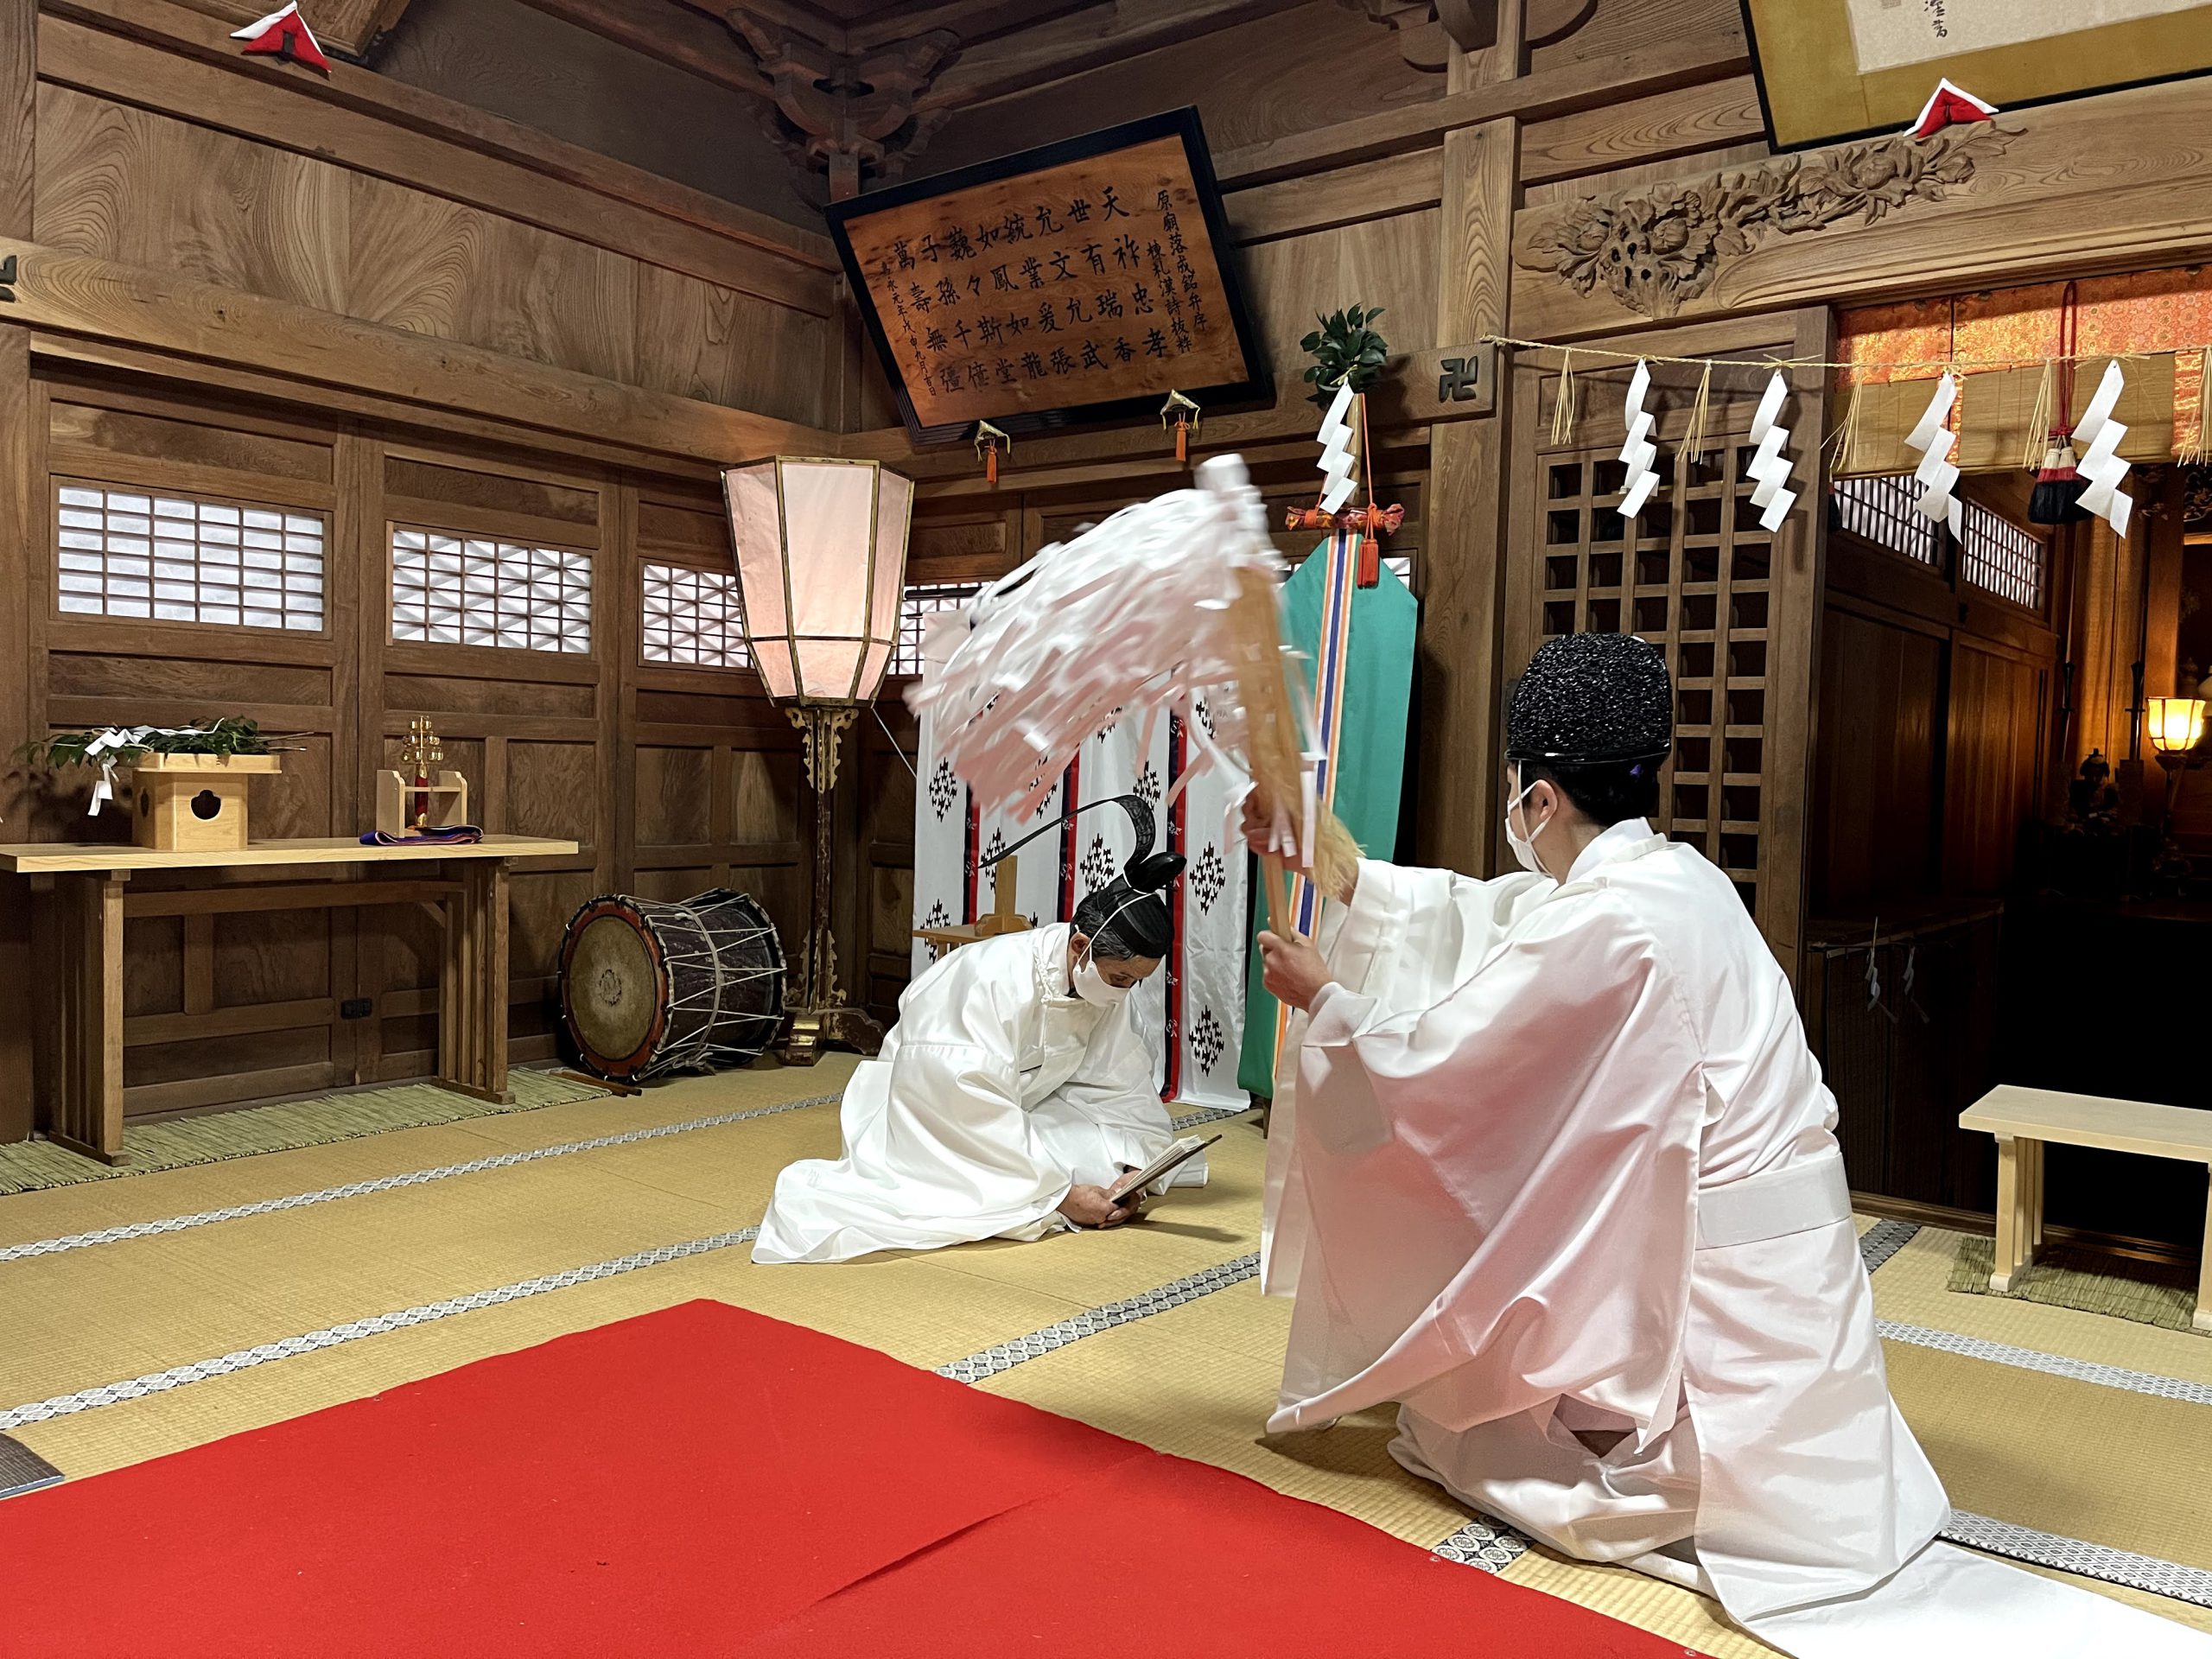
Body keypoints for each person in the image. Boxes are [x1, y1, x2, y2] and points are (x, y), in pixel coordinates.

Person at [1247, 632, 2208, 1657]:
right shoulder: (1676, 879)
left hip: (1722, 1279)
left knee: (1464, 1440)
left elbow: (1454, 1062)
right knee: (1498, 1404)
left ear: (1540, 798)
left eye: (1516, 791)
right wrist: (1338, 868)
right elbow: (1498, 922)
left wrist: (1332, 1004)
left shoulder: (1612, 920)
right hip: (1786, 1265)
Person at [753, 876, 1192, 1264]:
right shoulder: (990, 979)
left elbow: (1119, 1085)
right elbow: (958, 1097)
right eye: (1120, 979)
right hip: (929, 1110)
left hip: (1019, 1106)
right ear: (1080, 947)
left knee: (1104, 1163)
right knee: (977, 1195)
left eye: (1136, 981)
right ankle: (1042, 1189)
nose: (1125, 992)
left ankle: (1051, 1183)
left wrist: (1136, 1171)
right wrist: (1059, 1197)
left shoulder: (1101, 981)